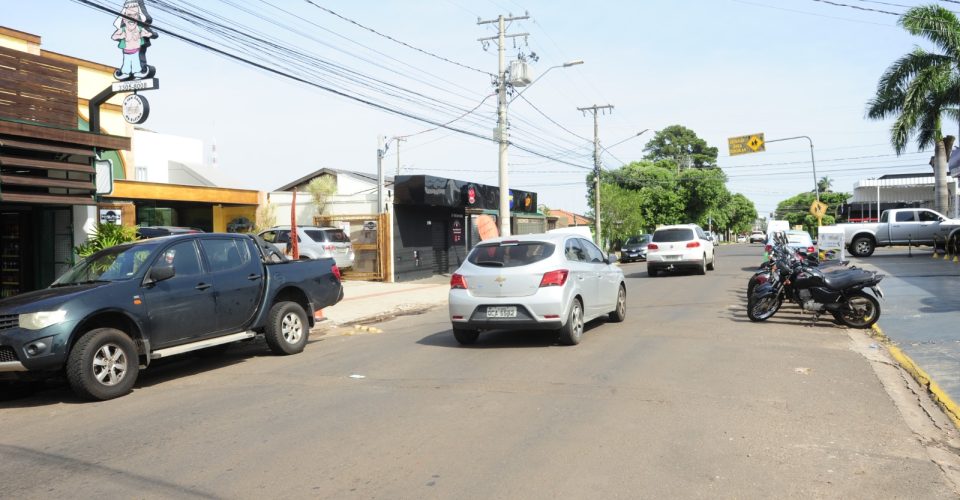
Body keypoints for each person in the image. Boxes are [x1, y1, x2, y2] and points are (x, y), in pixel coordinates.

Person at [111, 0, 157, 80]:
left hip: (136, 49)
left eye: (135, 15)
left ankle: (137, 72)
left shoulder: (139, 28)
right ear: (124, 19)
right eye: (128, 15)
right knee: (126, 62)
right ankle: (126, 73)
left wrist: (149, 34)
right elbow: (114, 37)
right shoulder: (123, 29)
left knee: (136, 61)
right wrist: (121, 36)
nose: (131, 18)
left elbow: (151, 34)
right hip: (126, 50)